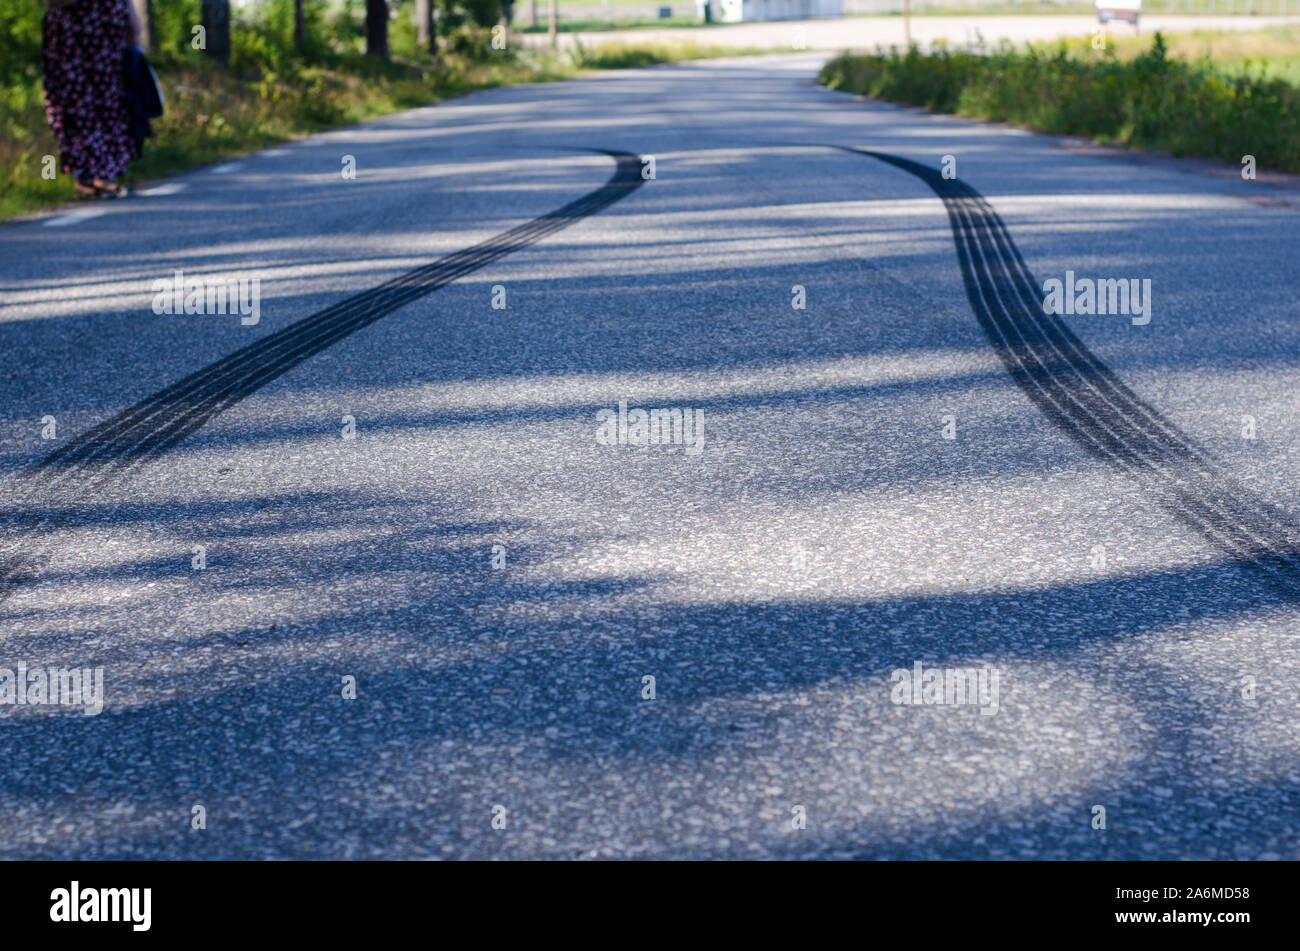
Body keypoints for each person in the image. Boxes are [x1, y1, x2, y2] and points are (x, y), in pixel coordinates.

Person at [41, 0, 142, 199]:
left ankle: (101, 176)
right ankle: (89, 178)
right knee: (76, 107)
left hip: (106, 40)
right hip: (73, 38)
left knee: (109, 106)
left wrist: (134, 25)